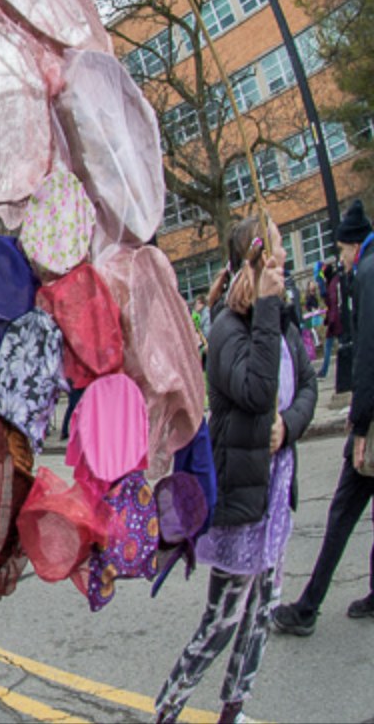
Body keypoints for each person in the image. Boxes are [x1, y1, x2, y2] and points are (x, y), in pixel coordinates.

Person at [154, 215, 317, 724]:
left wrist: (288, 426)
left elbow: (307, 386)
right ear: (254, 263)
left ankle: (234, 710)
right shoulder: (228, 326)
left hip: (276, 495)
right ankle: (166, 710)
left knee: (262, 613)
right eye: (275, 257)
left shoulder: (282, 322)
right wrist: (267, 307)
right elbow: (254, 390)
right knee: (220, 622)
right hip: (241, 500)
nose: (284, 269)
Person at [272, 199, 374, 636]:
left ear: (352, 245)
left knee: (342, 511)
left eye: (342, 251)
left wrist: (362, 423)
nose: (342, 261)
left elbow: (369, 352)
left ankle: (308, 606)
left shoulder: (366, 274)